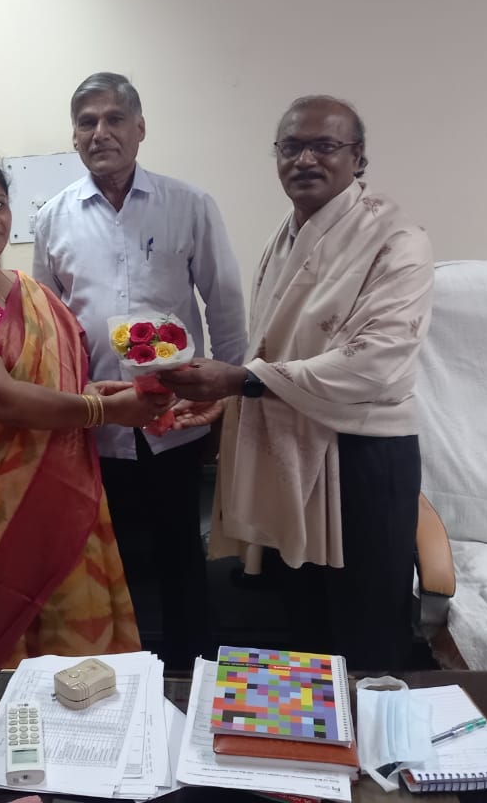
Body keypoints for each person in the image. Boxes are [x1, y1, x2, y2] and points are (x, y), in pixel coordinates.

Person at [162, 95, 434, 670]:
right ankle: (310, 727)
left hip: (361, 457)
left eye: (325, 146)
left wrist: (241, 380)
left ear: (358, 157)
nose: (305, 159)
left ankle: (372, 727)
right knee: (301, 626)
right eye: (291, 147)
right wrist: (229, 397)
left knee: (366, 629)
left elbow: (376, 361)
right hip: (289, 448)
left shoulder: (397, 239)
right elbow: (274, 349)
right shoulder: (282, 239)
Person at [0, 155, 169, 668]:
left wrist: (95, 390)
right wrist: (105, 410)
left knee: (76, 636)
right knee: (9, 642)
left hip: (61, 492)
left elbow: (48, 383)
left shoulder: (25, 288)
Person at [32, 72, 247, 668]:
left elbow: (225, 305)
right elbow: (50, 327)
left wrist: (228, 399)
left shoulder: (189, 205)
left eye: (114, 119)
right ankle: (122, 680)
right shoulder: (53, 217)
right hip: (97, 423)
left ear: (140, 129)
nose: (100, 132)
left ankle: (191, 673)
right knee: (108, 563)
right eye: (87, 122)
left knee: (182, 557)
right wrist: (70, 405)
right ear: (74, 136)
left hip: (177, 417)